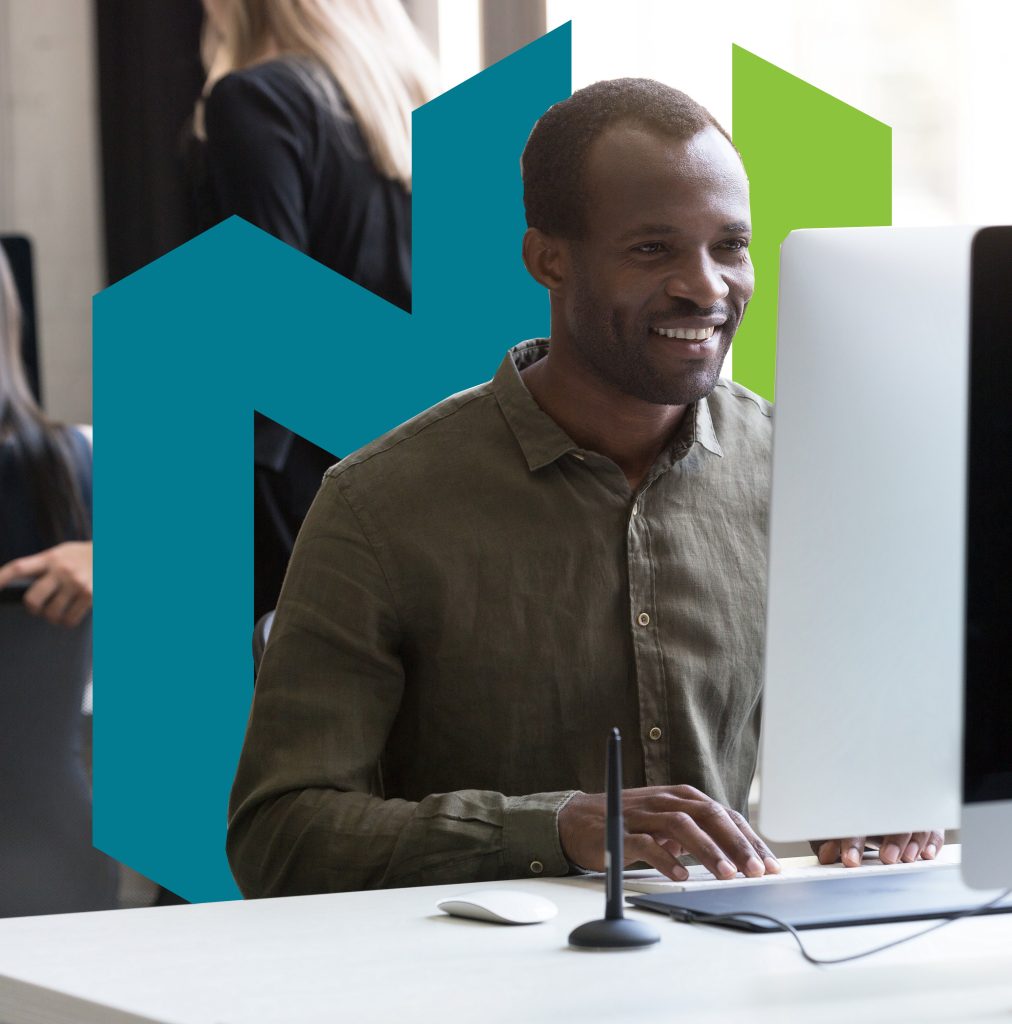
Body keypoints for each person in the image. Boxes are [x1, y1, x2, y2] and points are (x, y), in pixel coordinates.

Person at [227, 79, 944, 897]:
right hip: (467, 988)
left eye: (730, 246)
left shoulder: (808, 470)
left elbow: (874, 751)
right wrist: (556, 829)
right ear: (549, 261)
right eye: (653, 250)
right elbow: (276, 837)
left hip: (737, 970)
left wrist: (882, 804)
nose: (707, 287)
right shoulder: (377, 507)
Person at [186, 0, 438, 621]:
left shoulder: (255, 100)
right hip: (417, 474)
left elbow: (270, 332)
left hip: (296, 489)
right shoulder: (417, 107)